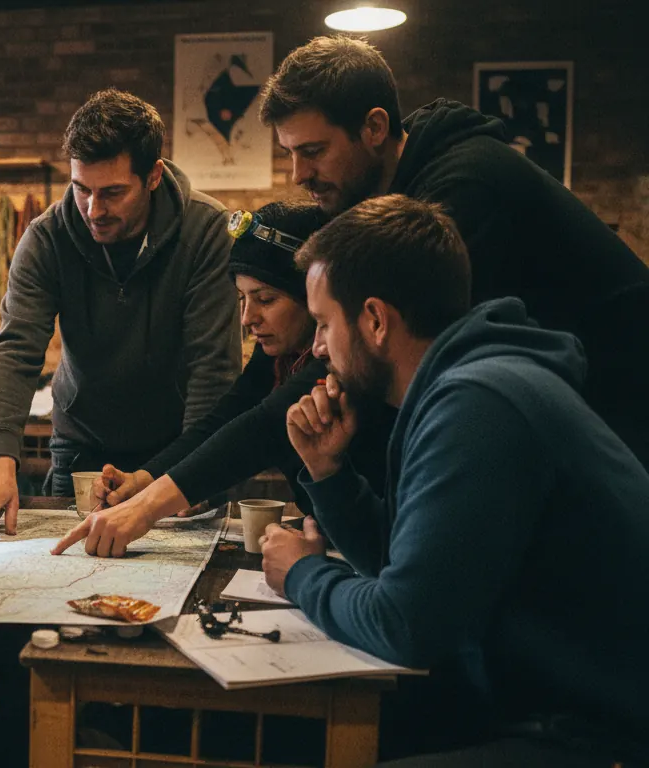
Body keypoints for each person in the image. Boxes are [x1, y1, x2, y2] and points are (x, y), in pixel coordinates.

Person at [262, 195, 649, 766]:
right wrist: (330, 472)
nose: (316, 347)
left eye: (322, 323)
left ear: (374, 319)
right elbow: (408, 571)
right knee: (288, 743)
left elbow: (404, 624)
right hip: (542, 706)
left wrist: (301, 574)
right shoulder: (468, 387)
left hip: (600, 732)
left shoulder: (478, 403)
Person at [258, 35, 649, 466]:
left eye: (312, 151)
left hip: (622, 413)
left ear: (374, 128)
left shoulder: (463, 189)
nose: (298, 174)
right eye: (290, 153)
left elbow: (373, 358)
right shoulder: (388, 189)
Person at [0, 88, 240, 539]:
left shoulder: (206, 230)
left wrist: (187, 480)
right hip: (82, 448)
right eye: (81, 189)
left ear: (152, 176)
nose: (94, 210)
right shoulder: (47, 238)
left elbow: (213, 370)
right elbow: (16, 349)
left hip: (180, 447)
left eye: (112, 193)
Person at [50, 202, 388, 558]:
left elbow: (259, 430)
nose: (247, 318)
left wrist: (145, 508)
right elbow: (227, 416)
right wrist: (145, 478)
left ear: (311, 295)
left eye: (266, 299)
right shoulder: (282, 353)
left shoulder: (338, 360)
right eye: (242, 298)